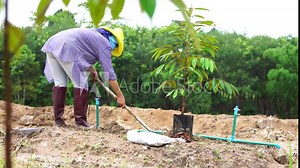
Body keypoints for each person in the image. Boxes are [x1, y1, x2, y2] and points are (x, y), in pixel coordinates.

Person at [41, 26, 126, 128]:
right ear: (113, 40)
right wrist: (120, 95)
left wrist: (91, 69)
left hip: (52, 43)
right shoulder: (105, 43)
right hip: (67, 46)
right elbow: (109, 73)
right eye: (115, 45)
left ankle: (58, 122)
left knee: (60, 82)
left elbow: (82, 52)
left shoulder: (95, 35)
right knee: (81, 83)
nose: (113, 48)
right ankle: (80, 122)